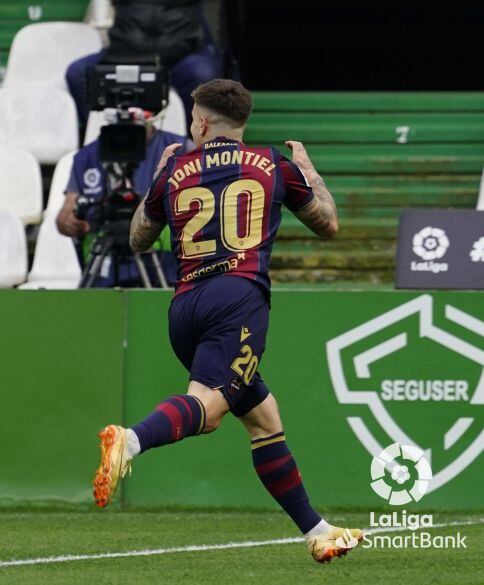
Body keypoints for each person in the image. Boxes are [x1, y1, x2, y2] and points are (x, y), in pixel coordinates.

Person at [92, 79, 364, 563]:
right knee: (210, 410)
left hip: (185, 308)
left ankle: (318, 531)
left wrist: (157, 176)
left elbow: (137, 239)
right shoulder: (273, 164)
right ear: (243, 123)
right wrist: (309, 171)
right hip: (238, 300)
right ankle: (129, 441)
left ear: (200, 121)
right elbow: (328, 224)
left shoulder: (175, 167)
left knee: (264, 420)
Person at [57, 112, 184, 287]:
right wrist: (68, 221)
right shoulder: (86, 156)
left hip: (162, 273)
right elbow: (65, 213)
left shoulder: (179, 149)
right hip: (103, 275)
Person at [65, 0, 222, 132]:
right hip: (124, 51)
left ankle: (190, 143)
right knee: (78, 73)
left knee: (202, 74)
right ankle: (103, 137)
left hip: (179, 54)